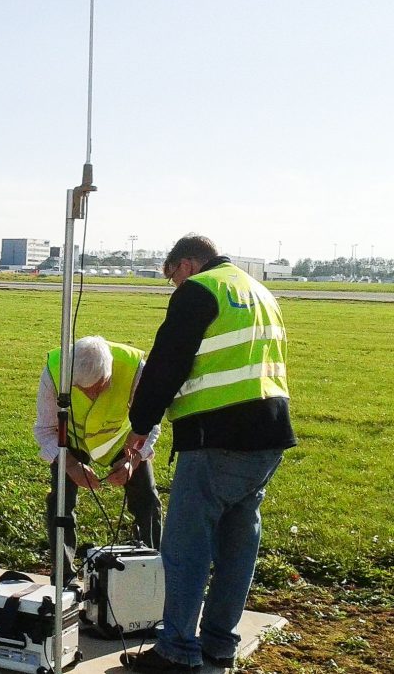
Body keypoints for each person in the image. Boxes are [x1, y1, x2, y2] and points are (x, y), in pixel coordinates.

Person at [121, 235, 296, 673]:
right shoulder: (258, 291)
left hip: (217, 437)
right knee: (239, 542)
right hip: (269, 434)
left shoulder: (201, 291)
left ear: (188, 263)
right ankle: (220, 642)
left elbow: (166, 363)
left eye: (173, 277)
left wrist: (140, 426)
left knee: (185, 546)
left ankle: (177, 649)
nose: (174, 287)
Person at [34, 335, 162, 585]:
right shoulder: (55, 370)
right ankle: (63, 578)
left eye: (100, 386)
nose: (92, 394)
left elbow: (151, 423)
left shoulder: (135, 369)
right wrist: (70, 464)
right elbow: (45, 429)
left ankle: (151, 572)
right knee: (60, 503)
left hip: (124, 439)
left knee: (147, 500)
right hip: (71, 441)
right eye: (83, 389)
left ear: (110, 370)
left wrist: (132, 459)